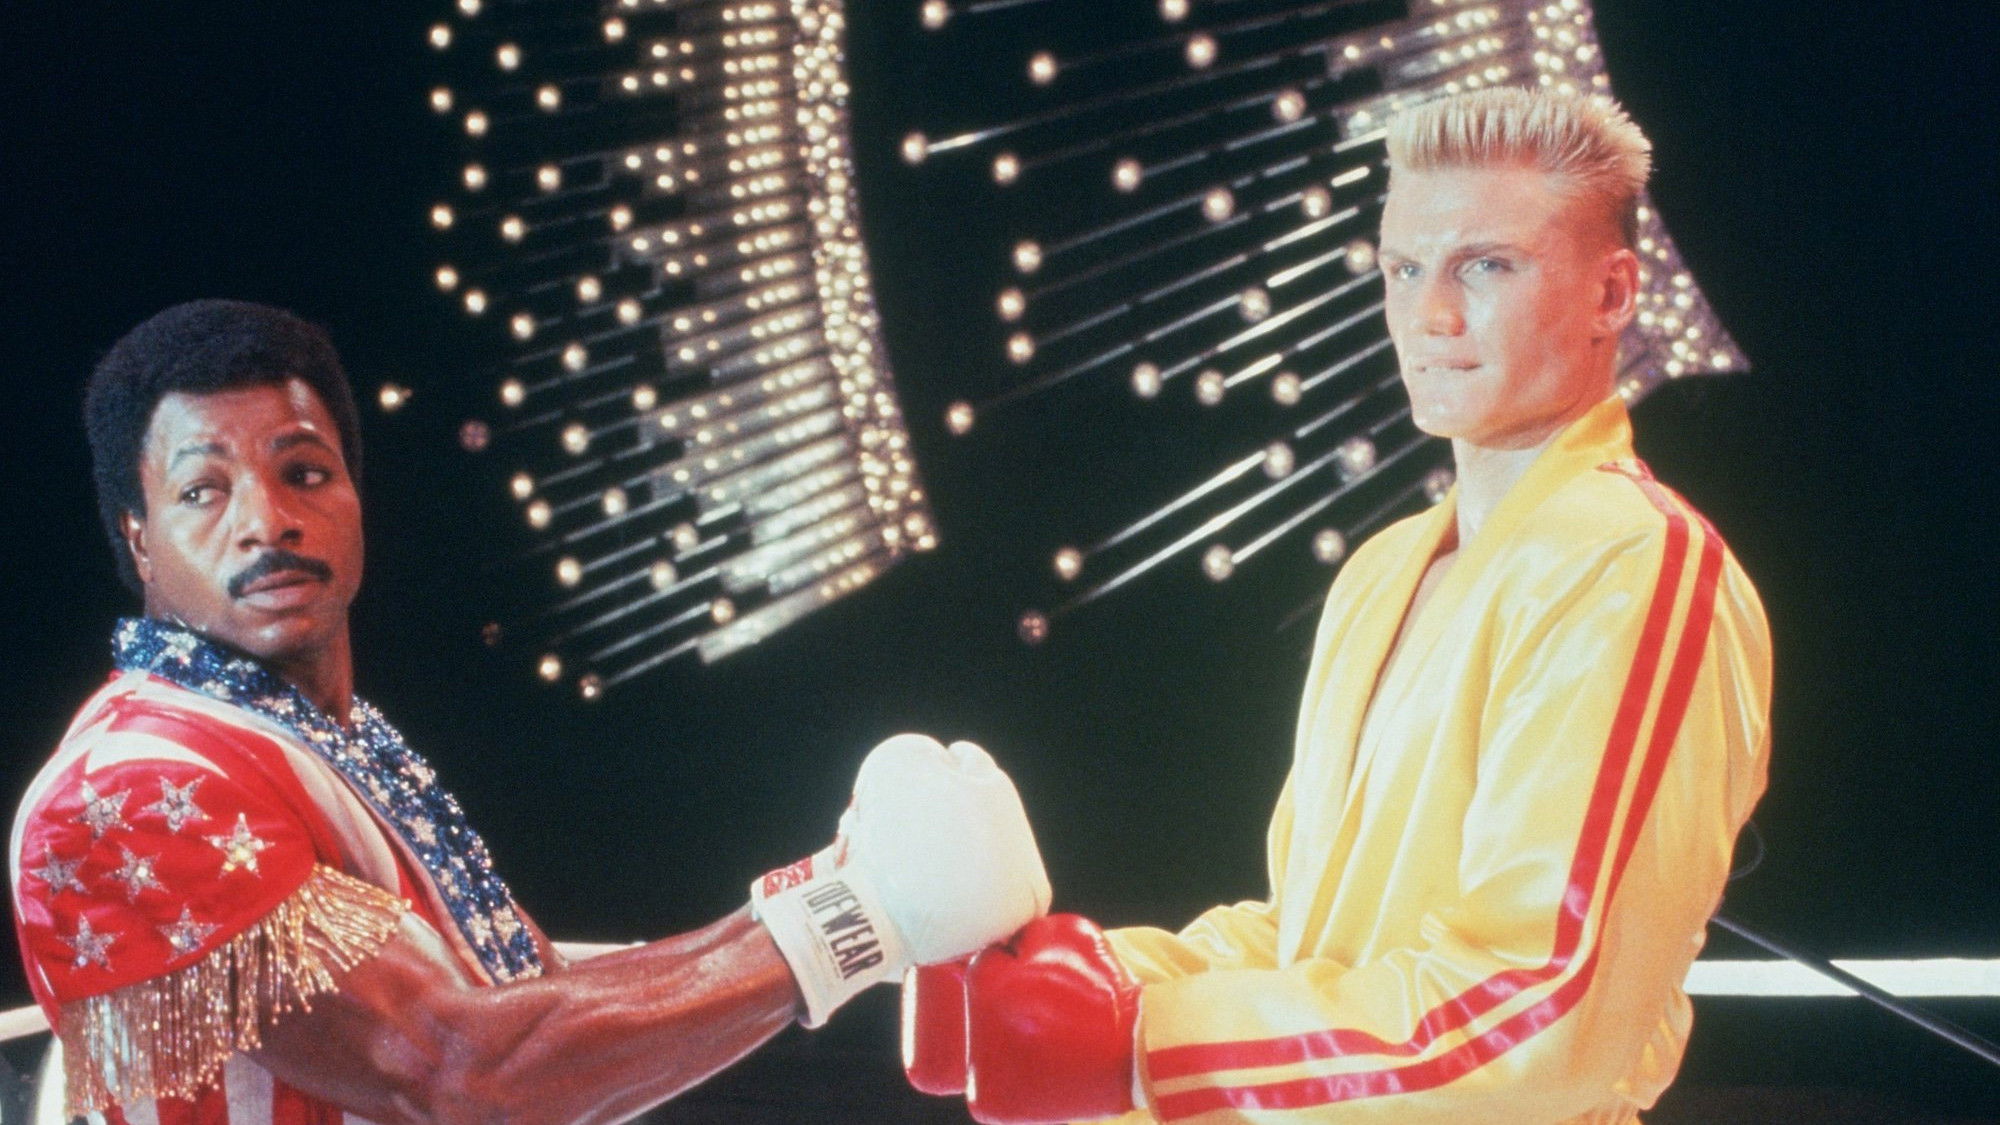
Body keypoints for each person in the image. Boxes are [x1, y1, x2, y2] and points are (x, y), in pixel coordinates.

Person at [900, 87, 1772, 1124]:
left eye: (1486, 266)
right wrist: (1060, 980)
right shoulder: (1381, 570)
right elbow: (1304, 940)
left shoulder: (1632, 559)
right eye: (1402, 269)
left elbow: (1541, 1010)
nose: (1430, 315)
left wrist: (1133, 1045)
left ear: (1611, 292)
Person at [10, 299, 1052, 1125]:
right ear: (139, 539)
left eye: (305, 472)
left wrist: (835, 881)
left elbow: (526, 1006)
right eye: (203, 491)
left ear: (356, 500)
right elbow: (462, 1073)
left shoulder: (327, 741)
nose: (267, 520)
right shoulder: (130, 786)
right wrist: (861, 917)